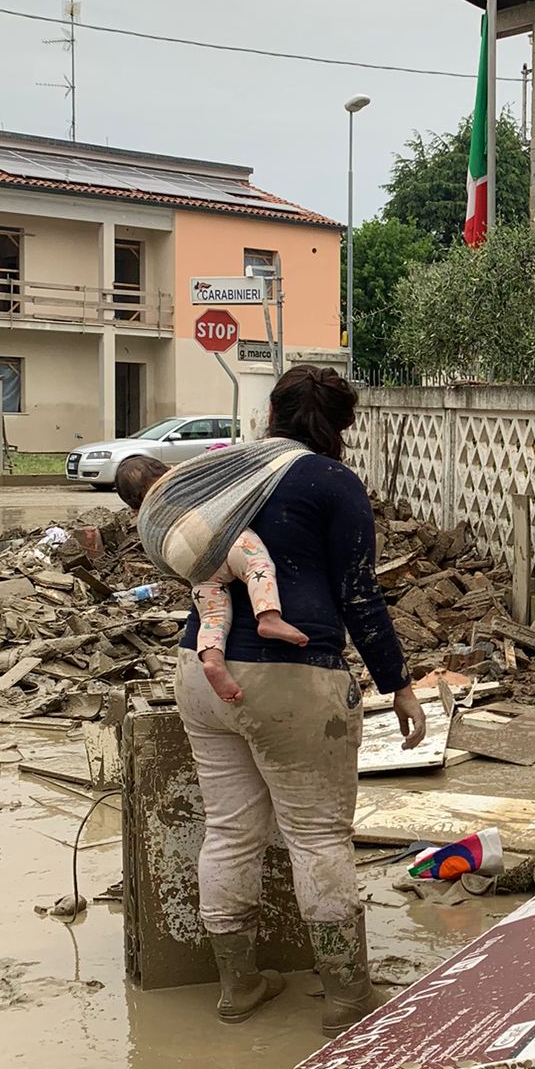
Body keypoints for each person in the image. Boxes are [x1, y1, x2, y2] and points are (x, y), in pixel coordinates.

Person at [169, 366, 426, 1032]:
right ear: (342, 425)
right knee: (316, 836)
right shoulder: (333, 483)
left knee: (229, 830)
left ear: (272, 412)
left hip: (201, 669)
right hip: (292, 679)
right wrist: (398, 682)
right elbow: (359, 593)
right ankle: (345, 1001)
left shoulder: (226, 470)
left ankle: (238, 984)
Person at [114, 453, 308, 704]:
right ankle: (269, 616)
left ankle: (213, 661)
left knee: (213, 615)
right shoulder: (180, 481)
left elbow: (159, 557)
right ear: (164, 470)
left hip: (187, 562)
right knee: (257, 564)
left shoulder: (147, 519)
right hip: (215, 537)